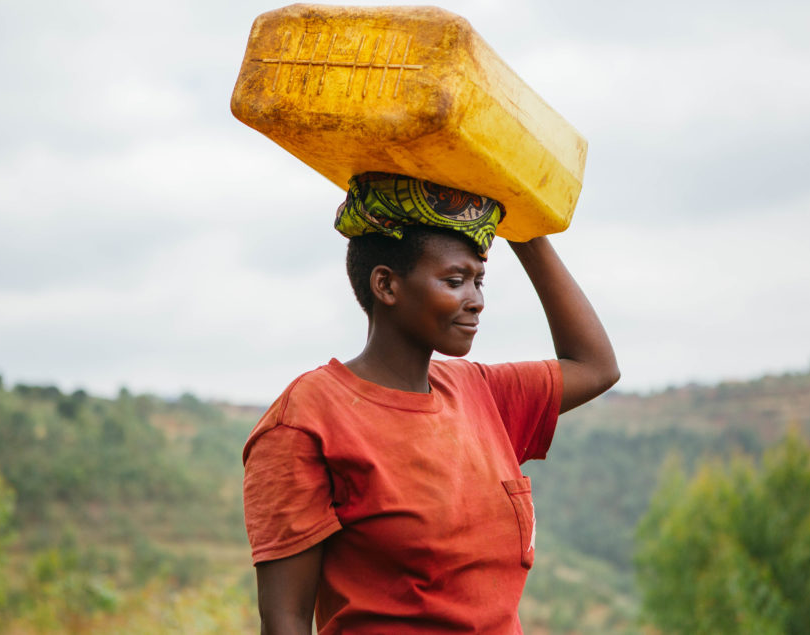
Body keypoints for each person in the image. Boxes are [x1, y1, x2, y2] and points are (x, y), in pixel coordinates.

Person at [242, 173, 619, 634]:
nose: (476, 301)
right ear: (386, 285)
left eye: (480, 282)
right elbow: (287, 619)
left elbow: (596, 366)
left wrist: (527, 231)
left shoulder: (481, 393)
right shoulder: (307, 419)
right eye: (455, 280)